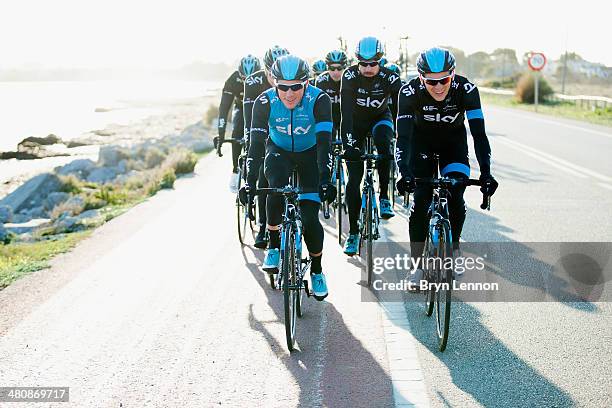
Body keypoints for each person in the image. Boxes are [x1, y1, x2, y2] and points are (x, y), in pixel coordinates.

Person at [395, 47, 498, 283]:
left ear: (452, 74)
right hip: (420, 146)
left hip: (454, 145)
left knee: (455, 192)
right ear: (421, 78)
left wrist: (486, 173)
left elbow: (479, 136)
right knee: (421, 200)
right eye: (432, 82)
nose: (439, 86)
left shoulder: (467, 90)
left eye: (444, 80)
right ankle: (417, 266)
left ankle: (454, 248)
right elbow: (403, 138)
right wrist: (404, 172)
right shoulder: (408, 92)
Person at [241, 55, 336, 300]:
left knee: (309, 216)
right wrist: (249, 182)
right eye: (283, 86)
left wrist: (326, 179)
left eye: (296, 87)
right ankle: (273, 245)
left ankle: (316, 270)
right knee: (274, 188)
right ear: (274, 83)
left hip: (311, 155)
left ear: (307, 83)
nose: (289, 93)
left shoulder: (320, 100)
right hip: (279, 151)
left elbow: (325, 144)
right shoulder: (264, 101)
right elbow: (256, 145)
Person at [340, 36, 403, 255]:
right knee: (353, 179)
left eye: (373, 64)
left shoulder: (391, 78)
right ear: (357, 60)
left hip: (380, 118)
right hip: (355, 124)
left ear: (380, 61)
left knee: (384, 141)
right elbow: (345, 114)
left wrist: (399, 132)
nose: (367, 68)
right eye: (363, 64)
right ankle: (354, 232)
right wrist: (348, 145)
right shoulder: (348, 76)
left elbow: (400, 110)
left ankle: (384, 196)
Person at [243, 46, 289, 249]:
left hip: (283, 132)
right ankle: (263, 227)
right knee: (264, 176)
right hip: (261, 128)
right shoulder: (252, 82)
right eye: (271, 70)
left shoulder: (291, 82)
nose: (274, 75)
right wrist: (250, 140)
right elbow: (248, 119)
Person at [214, 55, 260, 193]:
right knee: (237, 131)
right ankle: (235, 170)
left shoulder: (263, 79)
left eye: (251, 78)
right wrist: (221, 134)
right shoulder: (233, 80)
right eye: (244, 79)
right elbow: (223, 108)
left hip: (259, 108)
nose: (248, 82)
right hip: (240, 107)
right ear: (239, 75)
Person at [315, 50, 348, 138]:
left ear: (345, 67)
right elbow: (320, 109)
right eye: (332, 69)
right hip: (329, 116)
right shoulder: (321, 80)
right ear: (327, 67)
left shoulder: (350, 79)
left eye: (339, 68)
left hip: (346, 115)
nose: (336, 72)